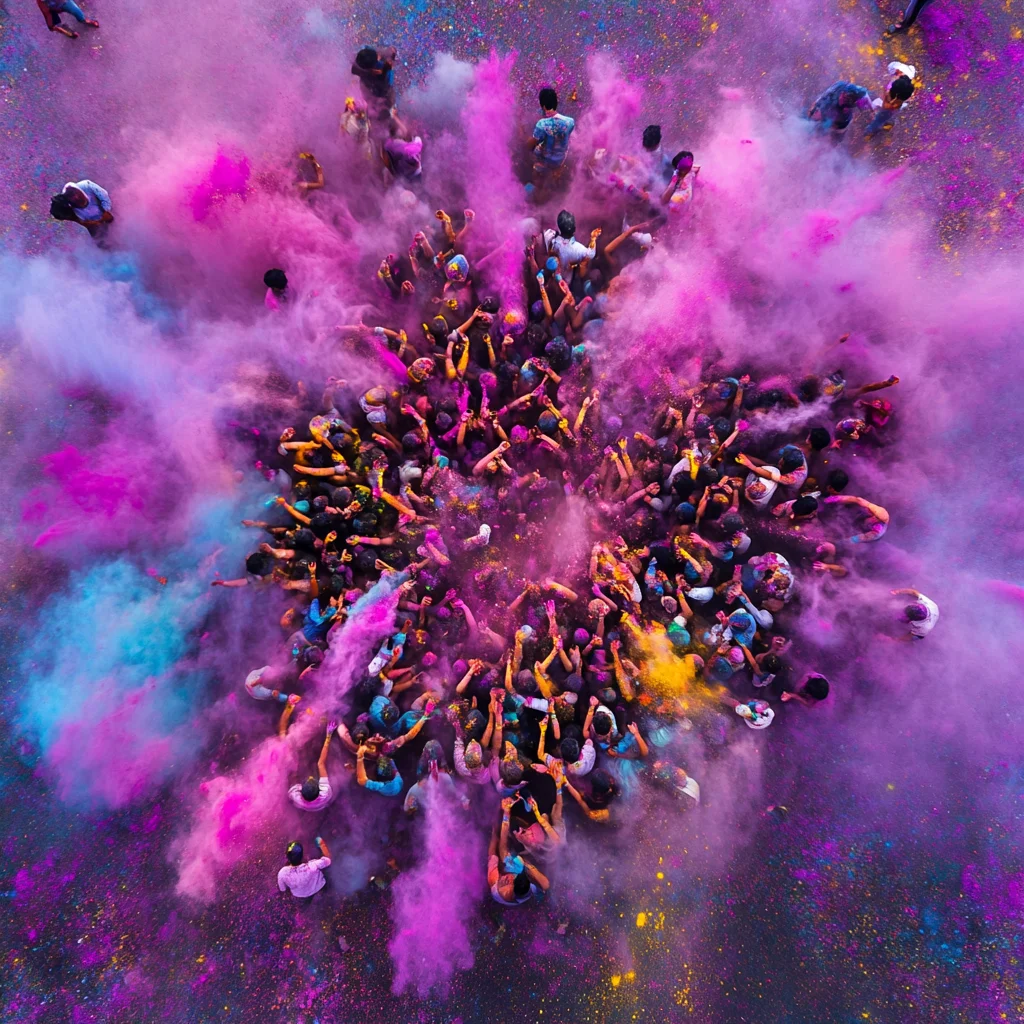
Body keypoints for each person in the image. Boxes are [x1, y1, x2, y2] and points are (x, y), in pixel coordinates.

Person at [487, 799, 550, 905]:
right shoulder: (528, 887)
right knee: (511, 855)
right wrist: (528, 866)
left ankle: (495, 831)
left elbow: (500, 847)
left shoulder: (495, 881)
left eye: (507, 880)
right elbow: (546, 885)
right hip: (524, 871)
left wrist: (495, 834)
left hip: (505, 870)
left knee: (497, 853)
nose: (509, 878)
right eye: (512, 880)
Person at [288, 720, 337, 811]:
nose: (310, 777)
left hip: (304, 806)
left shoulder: (295, 796)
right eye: (312, 779)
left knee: (294, 772)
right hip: (320, 805)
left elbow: (293, 774)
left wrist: (292, 750)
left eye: (308, 779)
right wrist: (328, 735)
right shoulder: (325, 792)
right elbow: (321, 763)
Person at [532, 88, 575, 179]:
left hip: (545, 161)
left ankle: (537, 182)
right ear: (556, 103)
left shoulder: (542, 124)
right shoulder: (570, 122)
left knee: (532, 147)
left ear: (543, 106)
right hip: (560, 160)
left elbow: (532, 143)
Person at [865, 65, 916, 137]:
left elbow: (896, 98)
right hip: (888, 104)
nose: (899, 72)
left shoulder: (901, 84)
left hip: (890, 105)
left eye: (901, 72)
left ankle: (875, 130)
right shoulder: (897, 81)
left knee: (881, 117)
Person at [808, 81, 874, 135]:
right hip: (831, 105)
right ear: (843, 92)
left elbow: (866, 96)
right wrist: (814, 108)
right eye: (844, 95)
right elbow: (824, 95)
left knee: (830, 128)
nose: (842, 98)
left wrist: (872, 110)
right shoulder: (839, 87)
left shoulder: (848, 108)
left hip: (839, 121)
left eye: (847, 99)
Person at [352, 45, 397, 119]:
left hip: (378, 90)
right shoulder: (374, 59)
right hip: (372, 89)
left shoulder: (385, 69)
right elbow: (355, 69)